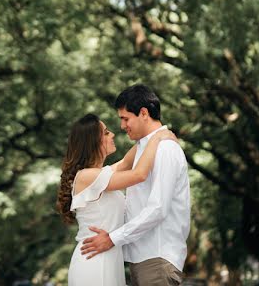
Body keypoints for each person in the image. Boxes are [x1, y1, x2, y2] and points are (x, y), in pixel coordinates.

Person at [81, 84, 191, 286]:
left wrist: (113, 238)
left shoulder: (165, 148)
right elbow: (123, 166)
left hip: (157, 256)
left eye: (125, 118)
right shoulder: (145, 148)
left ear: (143, 113)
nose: (122, 126)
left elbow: (158, 208)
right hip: (141, 257)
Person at [57, 113, 176, 286]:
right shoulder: (86, 176)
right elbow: (139, 174)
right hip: (94, 261)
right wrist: (157, 138)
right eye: (106, 133)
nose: (112, 134)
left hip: (108, 257)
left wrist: (152, 132)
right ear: (92, 141)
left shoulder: (97, 176)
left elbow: (124, 164)